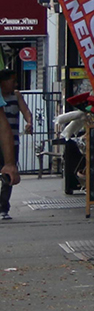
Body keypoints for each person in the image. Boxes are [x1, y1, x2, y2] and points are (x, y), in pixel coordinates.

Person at [0, 70, 30, 218]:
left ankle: (3, 207)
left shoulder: (16, 95)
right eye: (12, 81)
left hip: (12, 142)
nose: (15, 84)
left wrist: (29, 122)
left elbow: (25, 111)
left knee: (8, 175)